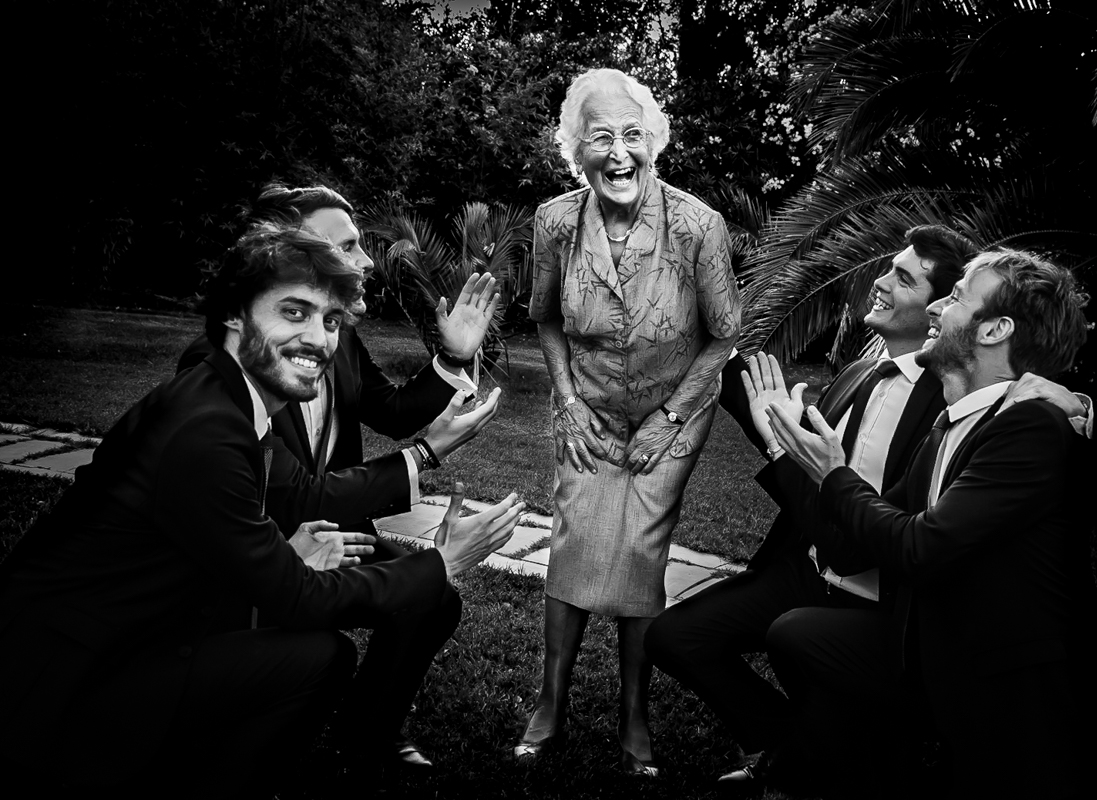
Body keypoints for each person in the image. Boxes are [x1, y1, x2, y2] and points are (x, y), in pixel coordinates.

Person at [0, 223, 525, 797]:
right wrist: (441, 562)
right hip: (72, 673)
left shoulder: (225, 400)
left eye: (330, 321)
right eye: (294, 312)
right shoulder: (207, 430)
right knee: (318, 655)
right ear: (234, 314)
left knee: (320, 653)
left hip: (131, 631)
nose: (319, 339)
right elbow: (296, 598)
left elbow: (233, 531)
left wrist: (285, 558)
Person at [766, 249, 1097, 798]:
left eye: (956, 296)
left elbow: (919, 548)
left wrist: (833, 473)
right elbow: (859, 543)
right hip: (930, 644)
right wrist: (790, 451)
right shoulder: (953, 423)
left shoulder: (1033, 424)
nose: (936, 306)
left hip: (1011, 686)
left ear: (994, 329)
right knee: (797, 634)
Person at [177, 183, 499, 774]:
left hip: (335, 532)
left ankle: (368, 732)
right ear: (292, 252)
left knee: (433, 599)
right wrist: (424, 454)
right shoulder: (220, 362)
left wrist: (453, 358)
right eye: (347, 246)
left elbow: (392, 409)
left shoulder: (340, 336)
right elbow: (292, 496)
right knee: (329, 647)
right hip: (263, 548)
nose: (367, 260)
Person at [644, 224, 972, 785]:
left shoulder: (945, 404)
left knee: (861, 760)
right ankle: (788, 744)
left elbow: (852, 538)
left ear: (938, 308)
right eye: (888, 269)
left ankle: (809, 754)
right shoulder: (859, 372)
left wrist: (782, 448)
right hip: (806, 569)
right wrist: (710, 334)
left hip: (873, 601)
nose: (881, 282)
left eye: (903, 279)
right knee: (674, 638)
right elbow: (802, 460)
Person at [519, 68, 740, 777]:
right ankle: (550, 702)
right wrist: (567, 399)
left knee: (642, 552)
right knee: (574, 540)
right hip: (585, 407)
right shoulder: (556, 222)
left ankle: (634, 713)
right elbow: (545, 319)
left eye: (632, 136)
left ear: (654, 143)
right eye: (600, 138)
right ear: (575, 150)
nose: (619, 153)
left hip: (673, 413)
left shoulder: (698, 226)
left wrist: (670, 417)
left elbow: (724, 336)